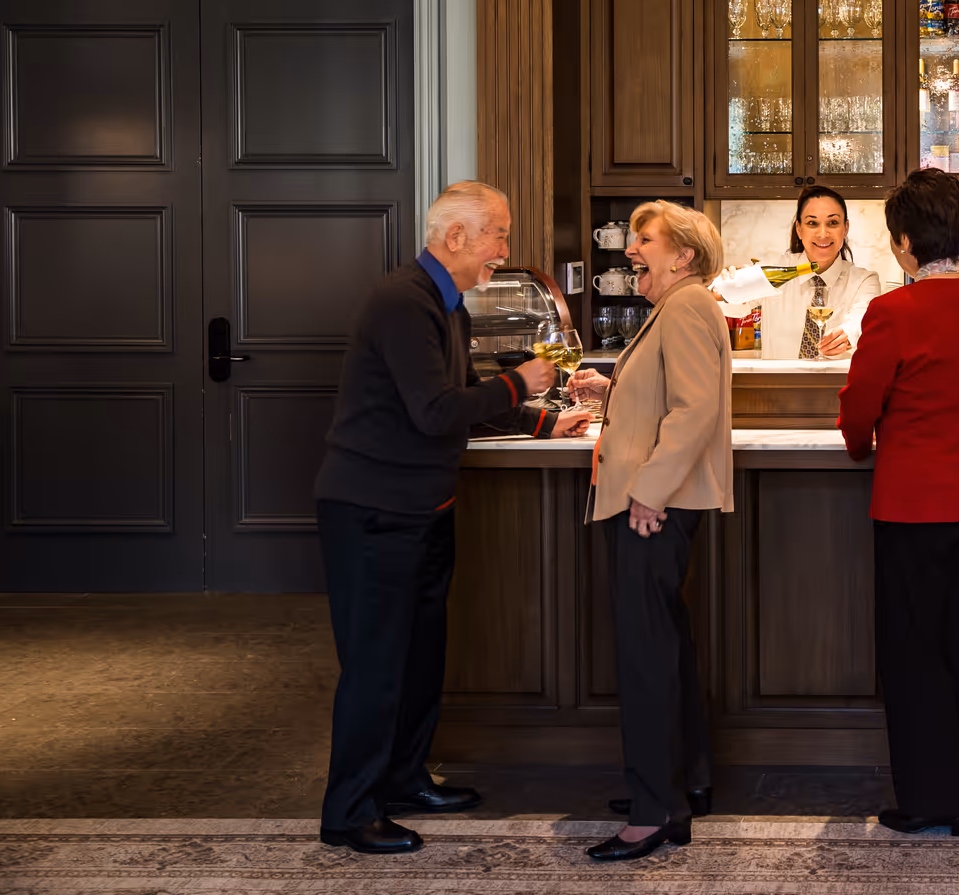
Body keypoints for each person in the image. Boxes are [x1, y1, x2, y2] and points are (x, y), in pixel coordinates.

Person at [313, 181, 591, 855]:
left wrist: (543, 418)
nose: (504, 248)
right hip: (374, 510)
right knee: (377, 666)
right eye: (497, 233)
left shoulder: (446, 304)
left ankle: (404, 779)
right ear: (456, 237)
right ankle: (349, 811)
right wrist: (520, 384)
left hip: (422, 507)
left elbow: (463, 398)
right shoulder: (402, 303)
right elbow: (434, 411)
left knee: (418, 659)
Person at [837, 168, 959, 837]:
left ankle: (922, 799)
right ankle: (958, 801)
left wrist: (863, 445)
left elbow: (860, 409)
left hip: (909, 501)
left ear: (905, 243)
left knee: (912, 654)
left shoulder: (893, 311)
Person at [567, 200, 735, 863]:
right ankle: (681, 785)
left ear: (683, 254)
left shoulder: (689, 305)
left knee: (646, 656)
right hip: (656, 500)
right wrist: (606, 391)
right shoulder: (678, 307)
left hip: (653, 506)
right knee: (665, 648)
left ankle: (653, 811)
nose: (631, 249)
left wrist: (648, 492)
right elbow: (667, 396)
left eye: (645, 239)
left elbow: (695, 410)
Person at [756, 184, 884, 359]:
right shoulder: (774, 270)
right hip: (779, 384)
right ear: (799, 229)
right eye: (812, 223)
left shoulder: (864, 280)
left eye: (833, 223)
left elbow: (860, 320)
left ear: (845, 228)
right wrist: (728, 286)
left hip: (837, 385)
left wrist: (847, 335)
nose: (823, 233)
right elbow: (732, 306)